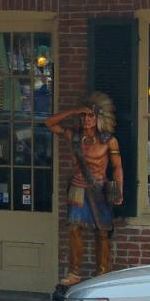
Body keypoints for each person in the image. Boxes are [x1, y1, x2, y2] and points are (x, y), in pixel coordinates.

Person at [47, 92, 124, 288]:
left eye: (90, 116)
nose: (86, 120)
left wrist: (118, 190)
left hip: (99, 187)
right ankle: (74, 272)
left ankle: (102, 271)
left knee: (102, 232)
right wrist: (73, 110)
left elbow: (117, 167)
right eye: (83, 116)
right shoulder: (73, 136)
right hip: (77, 186)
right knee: (74, 228)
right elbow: (49, 123)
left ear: (99, 118)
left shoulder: (109, 140)